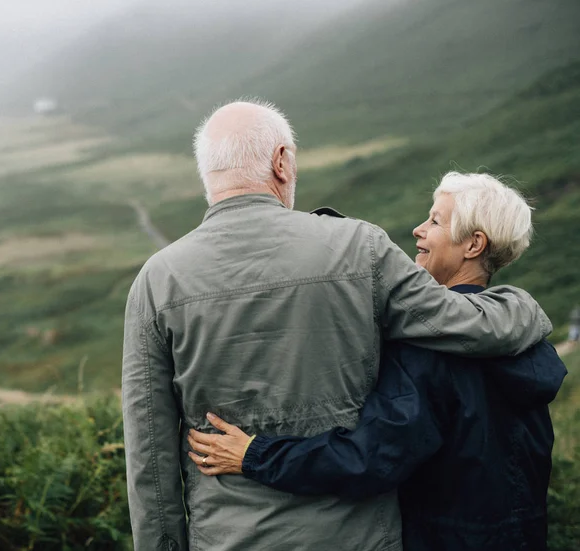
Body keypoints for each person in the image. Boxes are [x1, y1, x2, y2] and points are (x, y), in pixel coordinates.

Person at [122, 98, 551, 551]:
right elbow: (466, 324)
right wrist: (524, 308)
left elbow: (149, 453)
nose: (420, 230)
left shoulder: (156, 280)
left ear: (207, 173)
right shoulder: (360, 248)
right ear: (281, 162)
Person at [188, 172, 567, 551]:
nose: (418, 230)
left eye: (435, 221)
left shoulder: (430, 350)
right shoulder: (528, 342)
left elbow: (370, 460)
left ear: (473, 245)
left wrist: (255, 455)